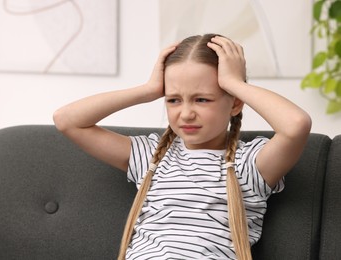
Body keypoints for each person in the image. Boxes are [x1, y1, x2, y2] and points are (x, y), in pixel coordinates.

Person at [53, 34, 312, 260]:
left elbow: (296, 125)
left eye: (201, 99)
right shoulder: (152, 158)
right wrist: (147, 90)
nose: (186, 113)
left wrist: (236, 84)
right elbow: (67, 120)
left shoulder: (250, 165)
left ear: (234, 104)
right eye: (174, 100)